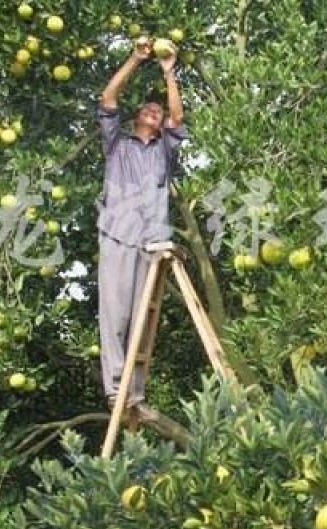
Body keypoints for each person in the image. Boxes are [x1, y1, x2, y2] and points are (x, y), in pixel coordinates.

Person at [96, 37, 187, 410]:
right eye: (147, 107)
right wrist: (136, 59)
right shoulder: (117, 144)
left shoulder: (164, 148)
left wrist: (169, 72)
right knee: (115, 316)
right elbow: (107, 99)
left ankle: (134, 392)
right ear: (136, 117)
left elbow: (178, 118)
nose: (155, 110)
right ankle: (116, 388)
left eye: (158, 109)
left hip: (153, 241)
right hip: (118, 235)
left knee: (141, 321)